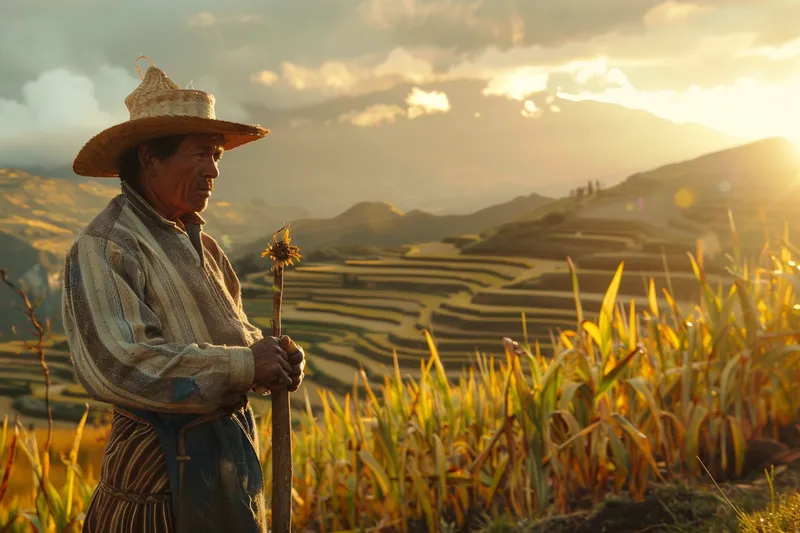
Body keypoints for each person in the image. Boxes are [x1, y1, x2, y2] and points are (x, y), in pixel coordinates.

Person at [61, 57, 304, 533]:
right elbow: (121, 363)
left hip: (222, 466)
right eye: (200, 153)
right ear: (151, 157)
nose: (213, 170)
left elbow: (235, 337)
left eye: (217, 154)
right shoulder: (106, 246)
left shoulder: (205, 248)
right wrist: (245, 365)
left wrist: (273, 359)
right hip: (155, 481)